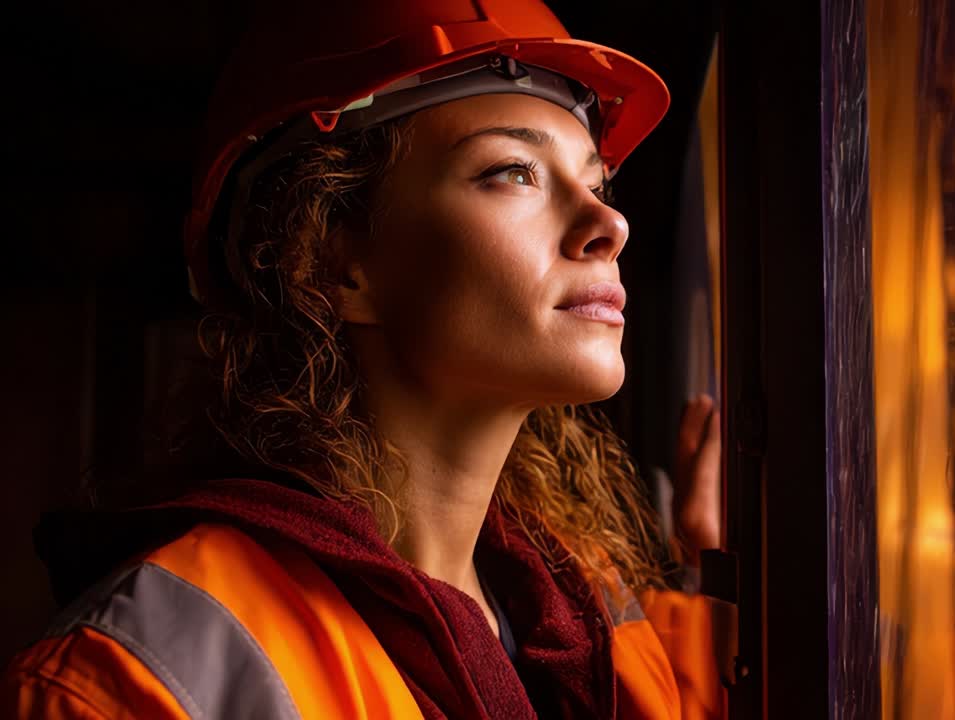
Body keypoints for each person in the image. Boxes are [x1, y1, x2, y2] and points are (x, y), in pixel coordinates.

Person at [1, 1, 727, 718]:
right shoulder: (136, 680)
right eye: (513, 171)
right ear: (330, 258)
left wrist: (726, 559)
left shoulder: (590, 619)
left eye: (596, 183)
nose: (611, 224)